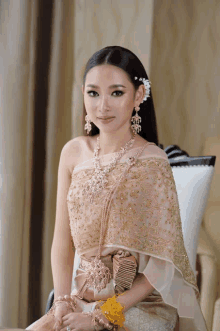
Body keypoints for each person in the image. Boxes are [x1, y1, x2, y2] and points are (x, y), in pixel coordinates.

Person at [25, 46, 208, 331]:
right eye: (93, 93)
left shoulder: (152, 160)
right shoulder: (72, 153)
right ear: (83, 92)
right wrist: (61, 302)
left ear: (138, 96)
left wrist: (103, 316)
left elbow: (164, 261)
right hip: (81, 301)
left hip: (139, 305)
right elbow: (63, 242)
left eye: (117, 93)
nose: (102, 106)